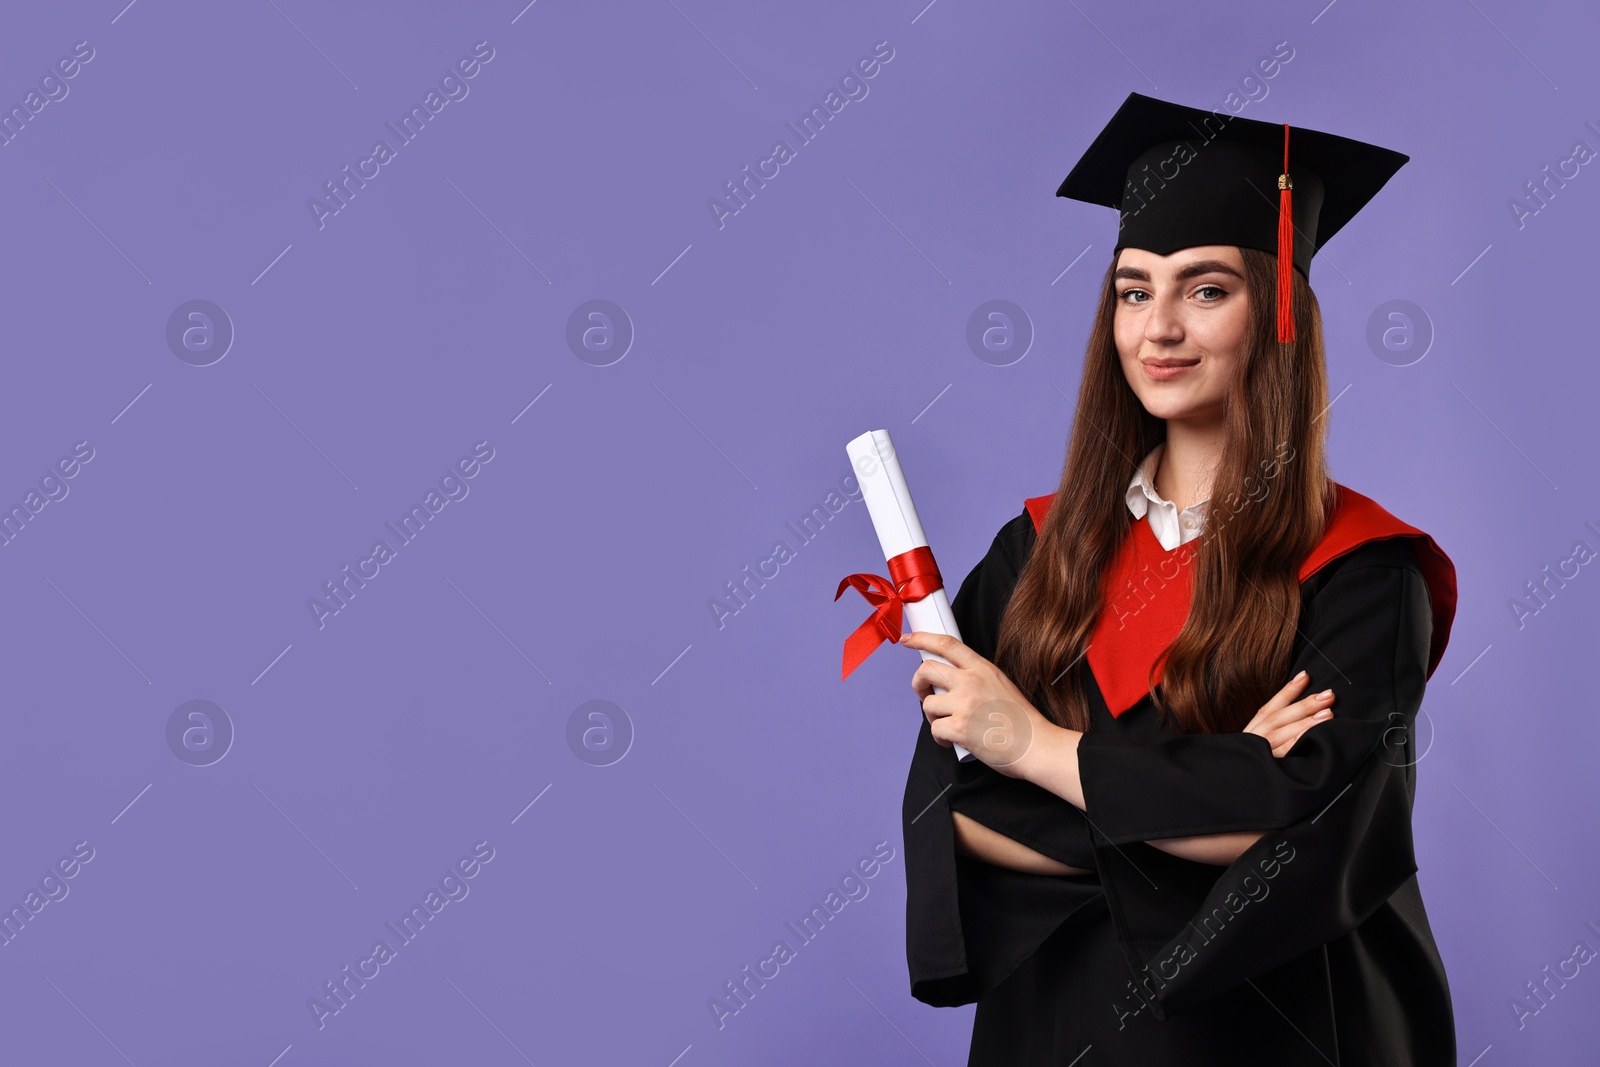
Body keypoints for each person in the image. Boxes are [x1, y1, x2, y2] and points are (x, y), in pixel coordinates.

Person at [896, 92, 1459, 1065]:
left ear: (1276, 309)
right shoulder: (1031, 553)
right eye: (1131, 289)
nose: (1157, 326)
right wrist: (1219, 797)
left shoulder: (1364, 570)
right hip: (1053, 1024)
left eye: (1204, 289)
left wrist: (1032, 746)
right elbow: (955, 812)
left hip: (1280, 1030)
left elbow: (1320, 840)